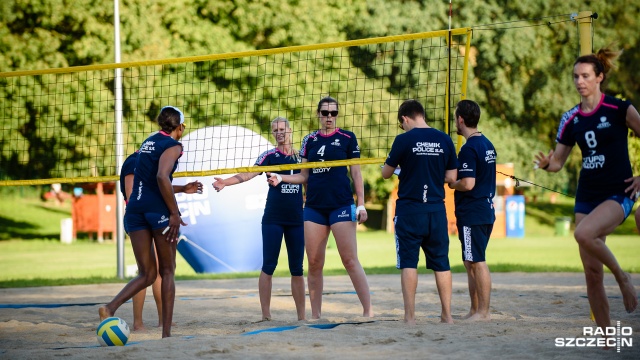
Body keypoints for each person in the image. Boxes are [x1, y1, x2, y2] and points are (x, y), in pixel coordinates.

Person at [534, 46, 640, 331]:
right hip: (587, 195)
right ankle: (606, 337)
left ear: (599, 77)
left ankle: (622, 276)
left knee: (583, 234)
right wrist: (547, 164)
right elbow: (558, 162)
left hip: (619, 193)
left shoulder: (620, 108)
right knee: (592, 274)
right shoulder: (571, 118)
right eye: (575, 76)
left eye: (585, 76)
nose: (579, 81)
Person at [267, 96, 373, 319]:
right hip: (314, 207)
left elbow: (356, 173)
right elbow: (304, 176)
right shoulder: (309, 140)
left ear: (337, 115)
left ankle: (368, 310)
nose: (329, 118)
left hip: (341, 205)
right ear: (318, 114)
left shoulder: (347, 138)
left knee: (349, 260)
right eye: (325, 113)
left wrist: (360, 204)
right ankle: (315, 315)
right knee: (314, 262)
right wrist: (281, 177)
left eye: (333, 113)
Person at [100, 106, 194, 338]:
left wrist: (182, 189)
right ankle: (166, 334)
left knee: (147, 274)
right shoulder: (174, 146)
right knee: (168, 271)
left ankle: (109, 308)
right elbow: (162, 177)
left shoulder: (147, 143)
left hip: (134, 211)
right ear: (179, 127)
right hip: (157, 212)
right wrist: (174, 213)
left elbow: (152, 181)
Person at [212, 117, 306, 321]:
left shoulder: (302, 156)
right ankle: (266, 315)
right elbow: (248, 174)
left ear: (290, 130)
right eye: (275, 130)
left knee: (297, 268)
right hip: (273, 217)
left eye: (282, 129)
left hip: (296, 218)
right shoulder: (269, 156)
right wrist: (225, 182)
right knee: (268, 265)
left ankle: (302, 317)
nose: (279, 132)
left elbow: (308, 179)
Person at [381, 99, 458, 325]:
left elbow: (386, 173)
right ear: (421, 115)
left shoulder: (403, 139)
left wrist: (403, 171)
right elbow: (452, 178)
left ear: (405, 118)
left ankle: (410, 317)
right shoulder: (445, 139)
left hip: (409, 209)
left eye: (401, 123)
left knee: (408, 263)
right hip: (435, 209)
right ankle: (447, 315)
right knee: (442, 263)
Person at [120, 150, 202, 331]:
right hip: (139, 218)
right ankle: (137, 323)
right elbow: (134, 195)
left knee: (157, 271)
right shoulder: (134, 162)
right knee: (146, 272)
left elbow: (154, 188)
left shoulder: (152, 162)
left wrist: (182, 189)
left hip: (151, 216)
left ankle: (163, 320)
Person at [447, 100, 496, 321]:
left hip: (473, 211)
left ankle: (483, 312)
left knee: (477, 260)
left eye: (456, 118)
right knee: (470, 261)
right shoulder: (487, 143)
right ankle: (475, 310)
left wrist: (451, 184)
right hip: (484, 209)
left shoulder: (468, 148)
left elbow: (467, 183)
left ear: (461, 119)